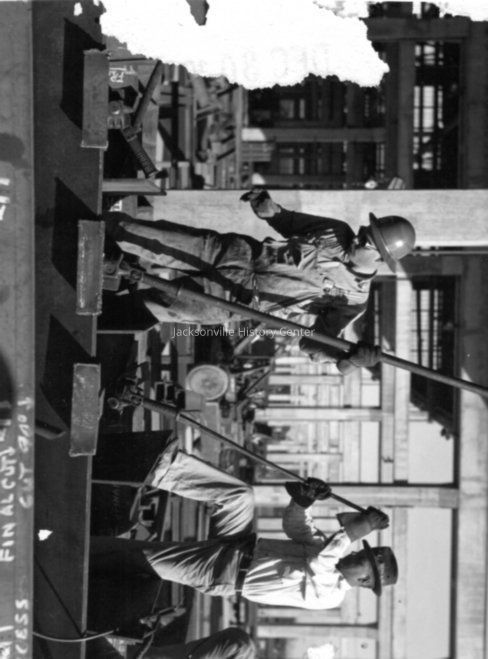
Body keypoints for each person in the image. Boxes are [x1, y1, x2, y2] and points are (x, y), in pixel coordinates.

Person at [103, 188, 415, 373]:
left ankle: (89, 315)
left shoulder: (353, 300)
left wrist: (350, 361)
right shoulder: (337, 231)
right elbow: (288, 222)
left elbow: (313, 342)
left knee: (150, 307)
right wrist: (270, 209)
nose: (358, 237)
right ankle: (90, 226)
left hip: (233, 300)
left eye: (367, 241)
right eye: (365, 231)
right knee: (139, 235)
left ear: (380, 259)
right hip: (230, 252)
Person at [91, 441, 398, 610]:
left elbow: (320, 564)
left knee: (140, 557)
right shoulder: (328, 549)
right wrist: (304, 501)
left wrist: (357, 529)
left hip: (220, 572)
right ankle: (158, 465)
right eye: (364, 552)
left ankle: (76, 552)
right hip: (239, 542)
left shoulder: (330, 595)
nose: (357, 553)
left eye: (364, 560)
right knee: (239, 495)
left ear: (363, 581)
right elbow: (296, 527)